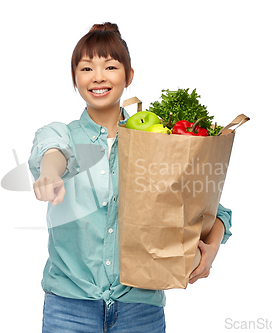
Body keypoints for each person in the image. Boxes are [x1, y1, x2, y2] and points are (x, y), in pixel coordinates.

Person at [28, 22, 232, 333]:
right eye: (86, 68)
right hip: (69, 308)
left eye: (110, 66)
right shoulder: (62, 134)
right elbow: (52, 151)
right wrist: (50, 174)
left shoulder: (158, 143)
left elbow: (209, 210)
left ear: (129, 75)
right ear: (75, 79)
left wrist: (212, 246)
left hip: (140, 307)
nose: (98, 77)